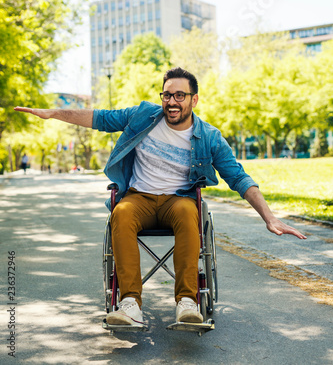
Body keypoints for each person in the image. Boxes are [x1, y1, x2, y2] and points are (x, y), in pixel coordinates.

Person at [14, 67, 306, 326]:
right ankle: (130, 304)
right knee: (122, 212)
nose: (172, 101)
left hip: (176, 200)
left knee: (187, 210)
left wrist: (269, 217)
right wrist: (53, 113)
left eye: (180, 95)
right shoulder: (143, 116)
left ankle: (187, 302)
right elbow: (98, 118)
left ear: (194, 99)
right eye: (167, 95)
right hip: (139, 197)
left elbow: (239, 178)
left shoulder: (209, 137)